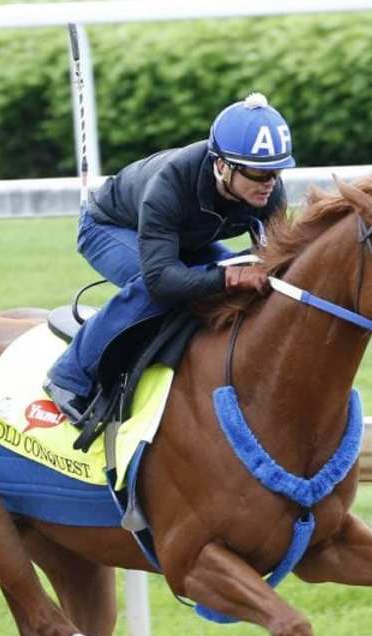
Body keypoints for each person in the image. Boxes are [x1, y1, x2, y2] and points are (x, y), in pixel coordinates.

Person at [44, 92, 295, 425]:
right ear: (222, 165)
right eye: (260, 175)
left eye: (276, 173)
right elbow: (161, 280)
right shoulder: (171, 183)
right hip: (109, 227)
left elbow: (275, 260)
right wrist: (228, 277)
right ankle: (68, 377)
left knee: (239, 278)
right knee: (155, 292)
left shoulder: (269, 192)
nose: (270, 184)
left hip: (183, 239)